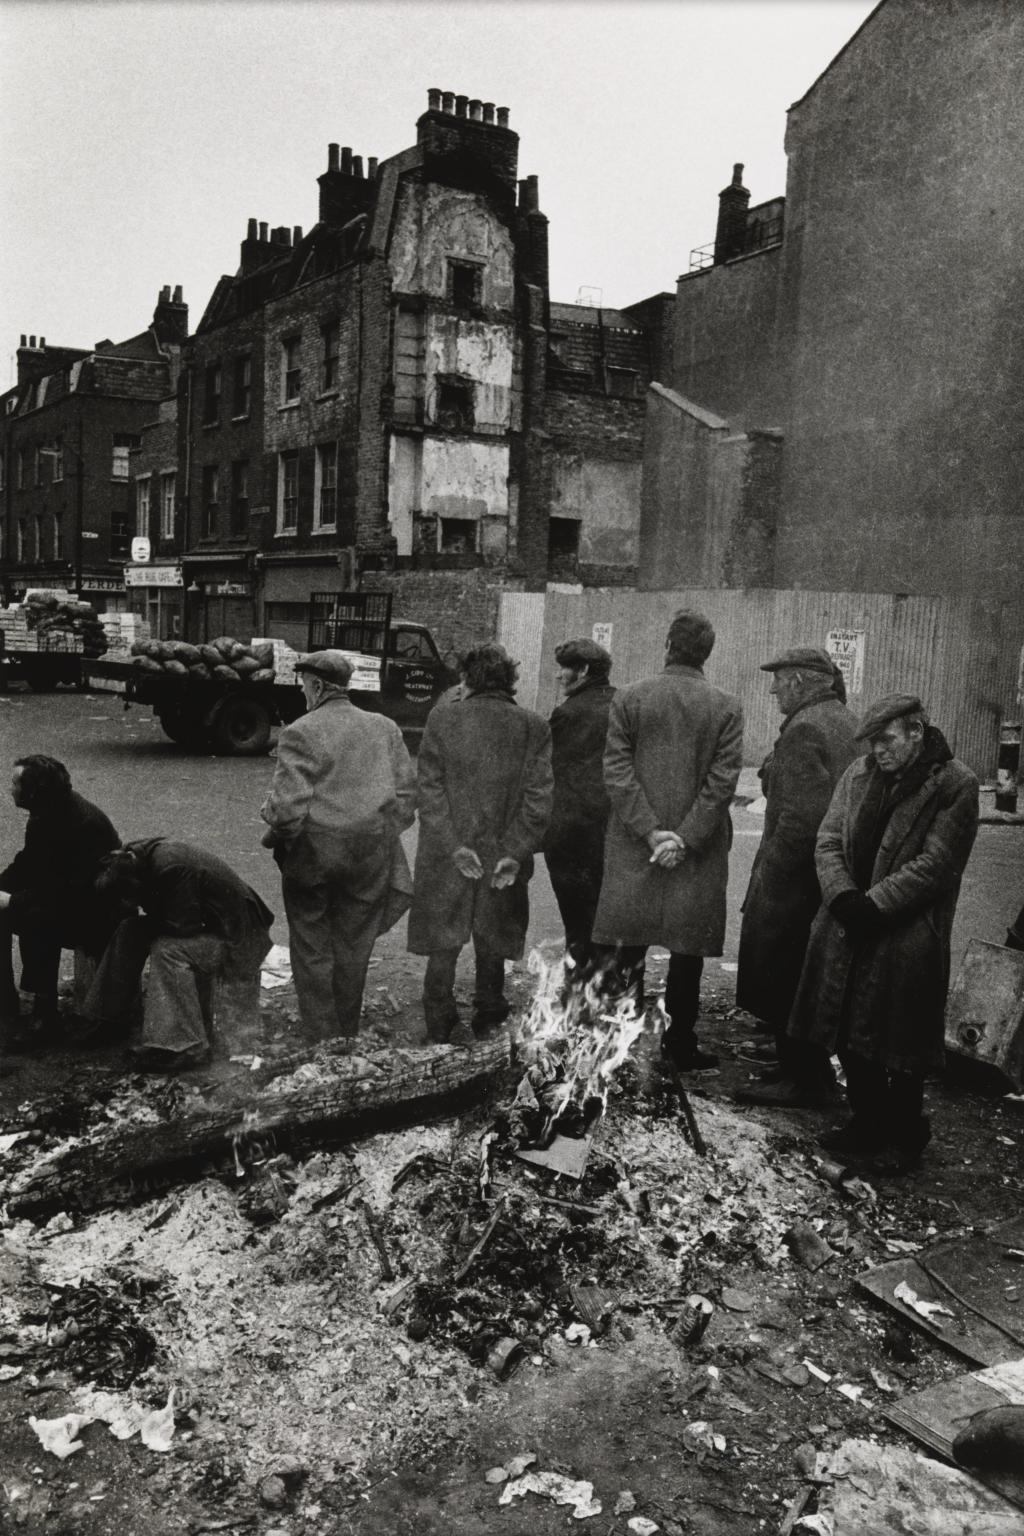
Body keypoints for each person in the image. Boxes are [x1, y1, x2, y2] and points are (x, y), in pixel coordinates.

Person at [788, 694, 979, 1173]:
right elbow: (828, 839)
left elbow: (936, 865)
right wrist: (843, 897)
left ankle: (905, 1135)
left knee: (901, 1040)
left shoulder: (955, 784)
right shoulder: (858, 775)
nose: (879, 751)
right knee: (848, 1027)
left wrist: (874, 905)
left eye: (887, 740)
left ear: (916, 731)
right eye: (873, 742)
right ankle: (866, 1121)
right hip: (849, 919)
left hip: (907, 931)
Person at [592, 611, 743, 1070]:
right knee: (687, 951)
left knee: (629, 946)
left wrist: (650, 831)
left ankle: (621, 1043)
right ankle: (680, 1045)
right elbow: (722, 782)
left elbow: (616, 773)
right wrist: (684, 838)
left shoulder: (631, 698)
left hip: (636, 843)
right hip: (695, 852)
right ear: (708, 652)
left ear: (668, 645)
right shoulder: (727, 706)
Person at [260, 649, 415, 1040]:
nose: (303, 695)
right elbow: (407, 798)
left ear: (315, 686)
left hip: (315, 856)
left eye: (304, 687)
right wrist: (375, 830)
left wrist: (289, 833)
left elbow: (286, 812)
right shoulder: (385, 727)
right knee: (354, 944)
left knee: (312, 947)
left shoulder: (301, 731)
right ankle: (345, 1031)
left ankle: (321, 1036)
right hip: (371, 856)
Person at [408, 643, 553, 1042]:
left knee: (444, 939)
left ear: (468, 679)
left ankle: (440, 1022)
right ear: (510, 680)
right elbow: (539, 799)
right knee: (492, 938)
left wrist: (454, 845)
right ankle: (489, 1018)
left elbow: (429, 789)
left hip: (447, 854)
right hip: (501, 854)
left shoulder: (443, 718)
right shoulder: (533, 725)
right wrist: (514, 852)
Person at [734, 647, 859, 1107]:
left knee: (785, 971)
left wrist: (771, 875)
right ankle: (800, 1069)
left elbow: (800, 819)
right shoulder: (842, 718)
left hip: (797, 879)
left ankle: (805, 1080)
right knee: (808, 973)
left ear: (801, 683)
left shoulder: (806, 728)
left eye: (779, 681)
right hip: (828, 875)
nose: (773, 689)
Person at [80, 838, 274, 1070]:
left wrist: (148, 914)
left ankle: (185, 1045)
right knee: (129, 930)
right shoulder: (135, 857)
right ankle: (111, 1018)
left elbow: (184, 925)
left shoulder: (171, 868)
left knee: (168, 950)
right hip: (212, 924)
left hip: (239, 937)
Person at [0, 755, 120, 1050]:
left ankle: (45, 1016)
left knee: (35, 919)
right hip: (66, 899)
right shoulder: (47, 810)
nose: (10, 789)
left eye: (16, 783)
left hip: (97, 911)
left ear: (34, 791)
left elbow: (71, 891)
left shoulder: (82, 825)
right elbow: (29, 863)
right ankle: (5, 999)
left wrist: (13, 900)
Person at [542, 638, 615, 979]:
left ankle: (581, 992)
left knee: (578, 922)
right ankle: (615, 992)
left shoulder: (568, 714)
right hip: (612, 831)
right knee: (607, 921)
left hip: (572, 834)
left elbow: (549, 772)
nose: (559, 676)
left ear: (583, 670)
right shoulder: (622, 704)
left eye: (564, 669)